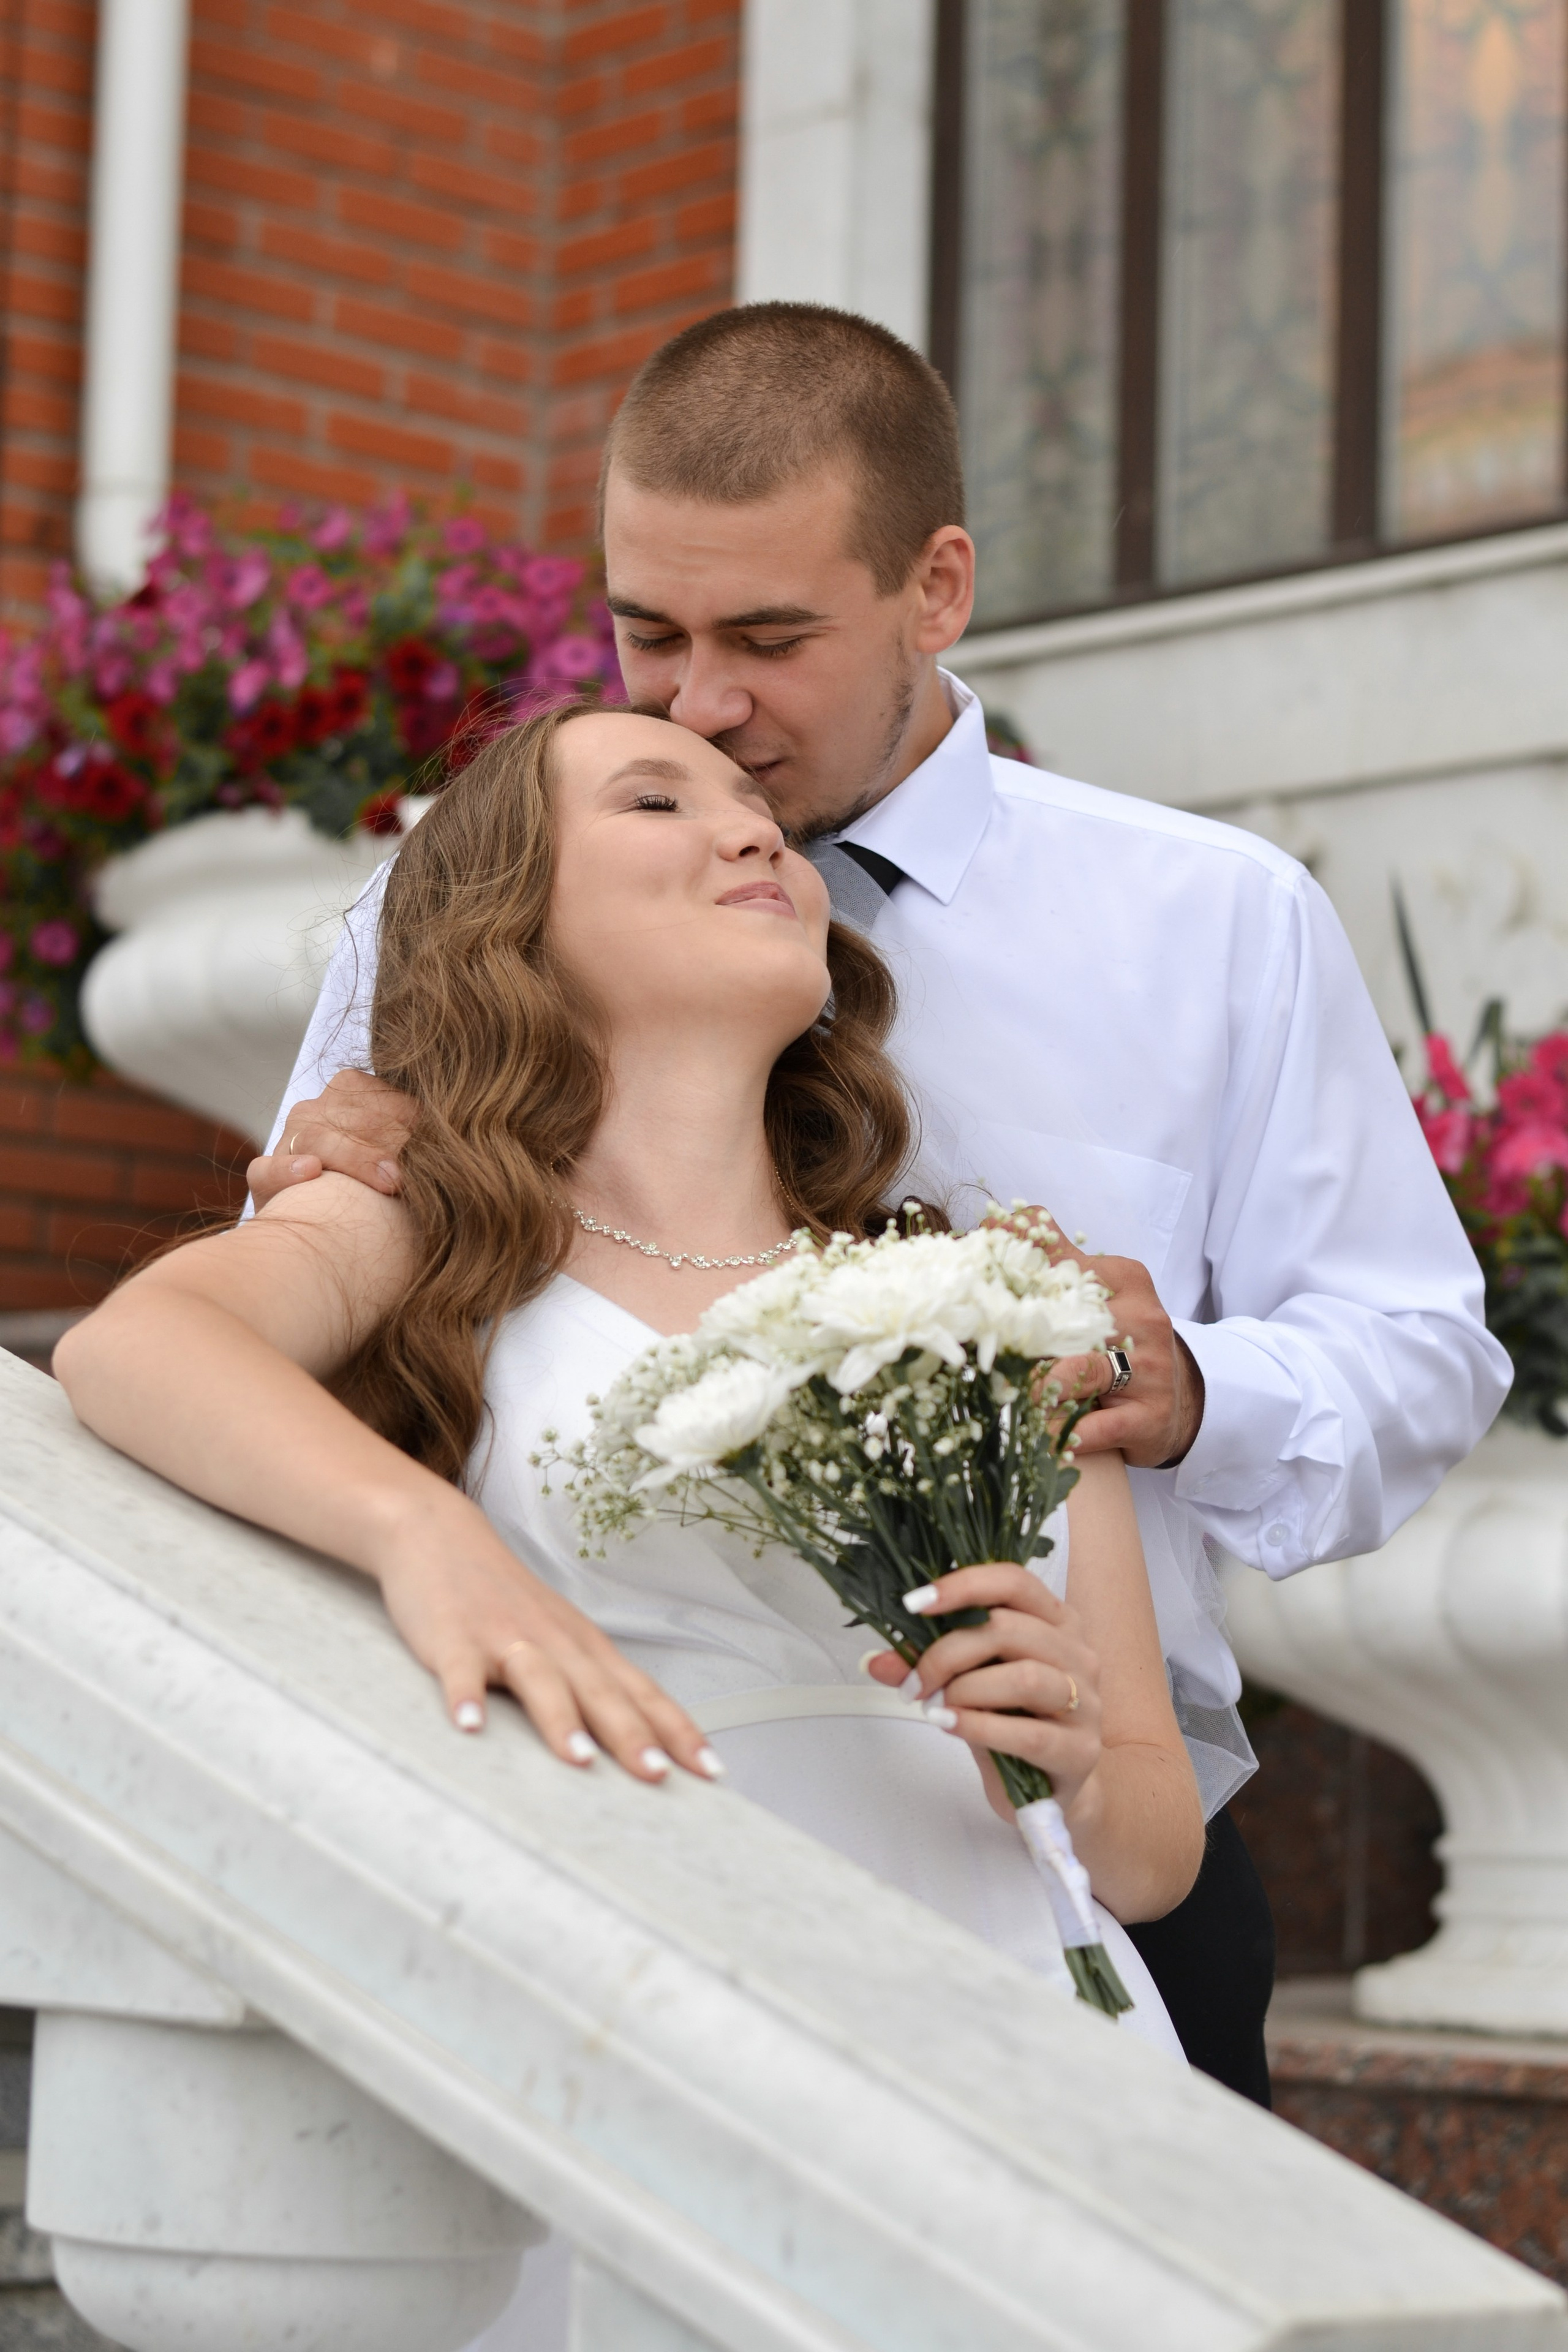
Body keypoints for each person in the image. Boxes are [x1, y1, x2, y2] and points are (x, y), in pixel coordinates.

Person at [250, 305, 1512, 2107]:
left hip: (1097, 1855)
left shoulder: (1215, 922)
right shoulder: (454, 906)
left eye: (770, 639)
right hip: (606, 1872)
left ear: (938, 588)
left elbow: (1418, 1354)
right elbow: (325, 1294)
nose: (699, 702)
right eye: (646, 634)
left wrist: (1198, 1387)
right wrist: (343, 1156)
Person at [56, 704, 1201, 2339]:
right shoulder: (430, 1229)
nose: (754, 833)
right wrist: (420, 1533)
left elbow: (1151, 1857)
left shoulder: (988, 1299)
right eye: (659, 802)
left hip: (1026, 2040)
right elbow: (133, 1347)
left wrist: (1076, 1753)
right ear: (509, 921)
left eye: (760, 809)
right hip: (664, 2035)